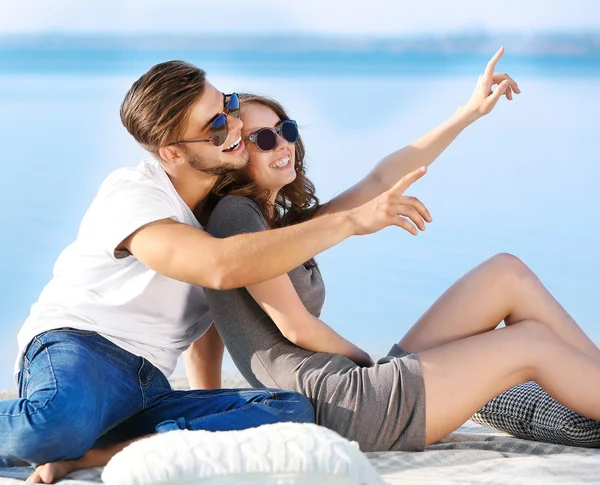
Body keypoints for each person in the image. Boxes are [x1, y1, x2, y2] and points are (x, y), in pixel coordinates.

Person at [0, 60, 415, 484]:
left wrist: (208, 403)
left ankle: (93, 452)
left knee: (287, 410)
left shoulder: (224, 209)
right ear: (173, 153)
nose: (234, 127)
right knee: (55, 423)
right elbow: (219, 267)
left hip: (149, 385)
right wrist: (347, 223)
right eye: (215, 126)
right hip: (79, 349)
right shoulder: (135, 194)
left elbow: (210, 322)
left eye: (228, 107)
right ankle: (69, 440)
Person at [198, 49, 600, 452]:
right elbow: (296, 328)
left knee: (505, 273)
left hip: (349, 392)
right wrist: (369, 362)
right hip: (343, 407)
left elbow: (382, 177)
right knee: (531, 342)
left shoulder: (281, 227)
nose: (282, 143)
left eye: (285, 129)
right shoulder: (235, 215)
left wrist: (469, 111)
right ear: (232, 154)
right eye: (263, 139)